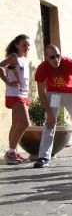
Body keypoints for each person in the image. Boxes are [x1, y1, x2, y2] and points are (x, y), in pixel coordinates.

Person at [33, 44, 72, 168]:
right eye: (52, 57)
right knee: (49, 123)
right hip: (54, 95)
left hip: (71, 94)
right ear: (46, 58)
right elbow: (41, 92)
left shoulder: (69, 63)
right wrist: (49, 114)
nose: (56, 59)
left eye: (58, 56)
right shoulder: (42, 68)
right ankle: (43, 157)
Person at [0, 34, 30, 165]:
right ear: (17, 44)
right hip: (14, 94)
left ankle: (13, 151)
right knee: (25, 123)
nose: (27, 47)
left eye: (28, 45)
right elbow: (0, 66)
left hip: (22, 94)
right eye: (24, 44)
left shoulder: (23, 58)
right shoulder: (13, 57)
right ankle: (10, 152)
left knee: (16, 124)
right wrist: (8, 81)